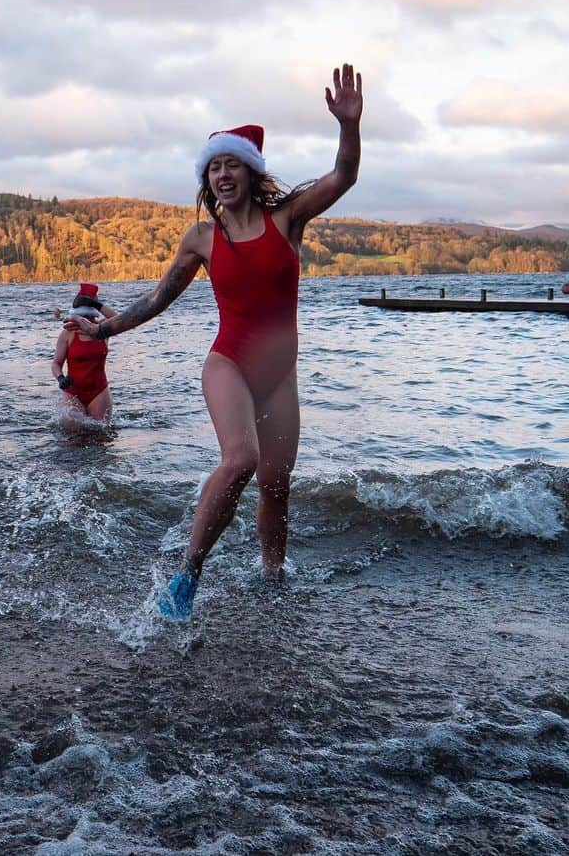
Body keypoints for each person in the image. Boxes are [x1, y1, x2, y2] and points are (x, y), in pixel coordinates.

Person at [65, 64, 363, 620]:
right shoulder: (202, 238)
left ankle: (273, 580)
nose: (223, 175)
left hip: (280, 376)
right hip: (228, 364)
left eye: (233, 165)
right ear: (208, 179)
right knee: (243, 459)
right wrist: (104, 329)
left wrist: (350, 124)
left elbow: (344, 175)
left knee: (277, 483)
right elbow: (159, 298)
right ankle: (187, 575)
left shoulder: (287, 219)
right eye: (214, 167)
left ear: (251, 173)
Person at [51, 283, 116, 422]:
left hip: (99, 391)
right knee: (71, 438)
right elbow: (56, 363)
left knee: (102, 436)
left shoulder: (102, 329)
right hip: (72, 392)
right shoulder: (68, 333)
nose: (86, 318)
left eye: (89, 314)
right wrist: (61, 378)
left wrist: (96, 304)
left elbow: (120, 320)